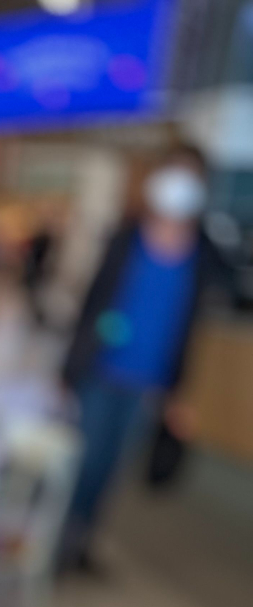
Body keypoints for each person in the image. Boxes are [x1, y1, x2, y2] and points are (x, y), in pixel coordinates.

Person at [60, 143, 231, 571]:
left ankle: (82, 543)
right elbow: (94, 300)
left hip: (150, 381)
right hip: (101, 370)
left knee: (114, 467)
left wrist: (179, 392)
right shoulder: (127, 236)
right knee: (87, 461)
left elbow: (199, 320)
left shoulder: (203, 251)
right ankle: (61, 542)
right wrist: (68, 367)